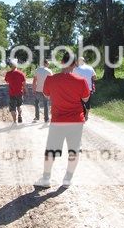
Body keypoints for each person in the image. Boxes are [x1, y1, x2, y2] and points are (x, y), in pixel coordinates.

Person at [35, 52, 90, 187]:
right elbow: (86, 99)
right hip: (76, 121)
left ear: (62, 62)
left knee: (51, 150)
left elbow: (47, 96)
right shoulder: (81, 81)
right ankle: (67, 179)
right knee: (74, 150)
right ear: (74, 64)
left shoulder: (51, 79)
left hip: (58, 120)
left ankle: (46, 179)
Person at [73, 57, 97, 121]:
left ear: (78, 62)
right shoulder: (90, 68)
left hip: (79, 89)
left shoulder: (75, 69)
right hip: (89, 89)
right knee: (88, 103)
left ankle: (83, 114)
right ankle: (86, 115)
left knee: (81, 103)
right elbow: (95, 78)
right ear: (84, 61)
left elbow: (73, 78)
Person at [4, 58, 27, 124]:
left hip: (12, 94)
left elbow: (6, 81)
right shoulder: (21, 73)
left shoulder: (8, 74)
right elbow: (24, 84)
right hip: (20, 93)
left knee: (12, 109)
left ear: (10, 66)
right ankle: (19, 115)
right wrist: (25, 91)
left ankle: (14, 121)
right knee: (19, 106)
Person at [32, 58, 53, 122]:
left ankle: (37, 117)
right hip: (46, 90)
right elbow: (51, 81)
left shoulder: (37, 70)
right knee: (46, 104)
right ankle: (46, 118)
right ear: (46, 63)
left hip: (38, 89)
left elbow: (34, 80)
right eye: (48, 63)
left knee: (36, 103)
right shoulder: (49, 71)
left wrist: (33, 89)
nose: (48, 64)